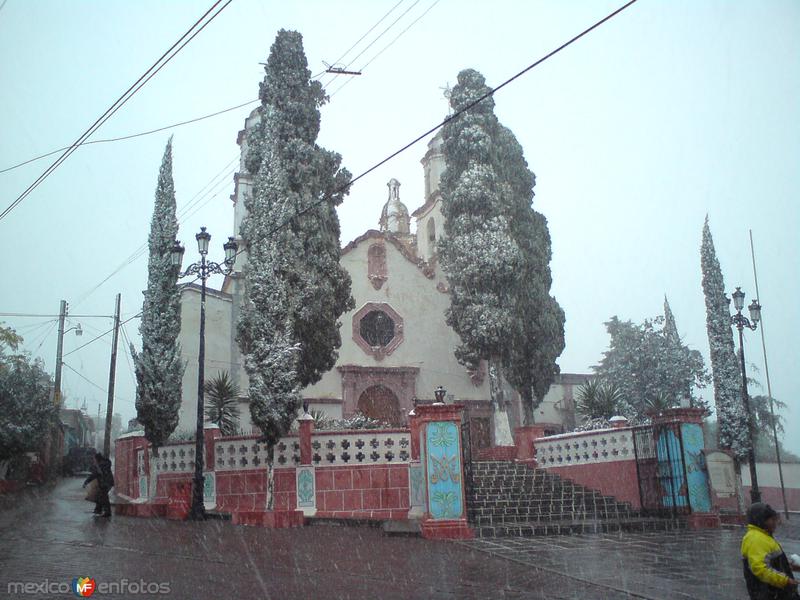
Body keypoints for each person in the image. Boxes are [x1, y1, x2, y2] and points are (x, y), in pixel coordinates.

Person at [742, 502, 800, 600]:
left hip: (777, 593)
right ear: (760, 521)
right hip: (771, 594)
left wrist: (788, 566)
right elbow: (760, 569)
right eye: (771, 519)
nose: (774, 522)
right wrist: (785, 581)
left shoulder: (763, 536)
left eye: (774, 519)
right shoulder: (756, 539)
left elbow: (769, 561)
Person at [83, 453, 114, 518]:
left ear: (97, 459)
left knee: (104, 497)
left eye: (94, 459)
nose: (93, 460)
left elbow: (94, 475)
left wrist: (86, 482)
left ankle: (107, 512)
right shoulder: (103, 464)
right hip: (107, 482)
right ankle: (98, 510)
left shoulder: (100, 466)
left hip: (105, 483)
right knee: (100, 495)